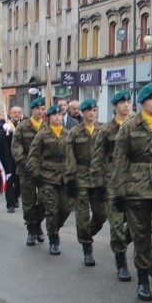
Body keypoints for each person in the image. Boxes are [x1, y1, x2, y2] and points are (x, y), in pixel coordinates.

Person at [110, 85, 152, 300]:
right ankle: (143, 279)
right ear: (143, 102)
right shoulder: (129, 127)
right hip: (136, 189)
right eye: (151, 99)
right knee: (141, 236)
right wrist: (118, 193)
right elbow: (119, 162)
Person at [91, 90, 135, 282]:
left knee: (140, 224)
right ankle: (121, 261)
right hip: (112, 181)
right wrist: (99, 184)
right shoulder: (106, 130)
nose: (126, 105)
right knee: (116, 223)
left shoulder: (137, 126)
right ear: (115, 106)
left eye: (128, 102)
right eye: (122, 102)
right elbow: (97, 158)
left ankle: (123, 243)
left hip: (136, 181)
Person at [27, 103, 72, 255]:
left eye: (60, 114)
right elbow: (33, 156)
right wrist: (36, 174)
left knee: (65, 209)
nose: (58, 117)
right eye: (55, 115)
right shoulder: (42, 134)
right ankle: (54, 240)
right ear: (49, 117)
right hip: (47, 177)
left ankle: (54, 228)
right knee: (51, 209)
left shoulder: (68, 134)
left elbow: (72, 157)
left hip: (64, 178)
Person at [65, 98, 106, 267]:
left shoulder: (103, 130)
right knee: (82, 216)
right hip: (80, 177)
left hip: (98, 178)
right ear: (82, 112)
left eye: (94, 110)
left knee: (101, 215)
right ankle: (87, 248)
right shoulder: (74, 132)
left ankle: (87, 234)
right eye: (88, 110)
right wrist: (70, 180)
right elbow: (70, 157)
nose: (91, 113)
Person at [12, 98, 46, 246]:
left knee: (45, 201)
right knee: (28, 201)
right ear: (32, 110)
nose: (40, 111)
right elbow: (16, 146)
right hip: (26, 170)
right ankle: (32, 230)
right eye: (37, 108)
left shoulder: (48, 126)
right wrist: (23, 162)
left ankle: (38, 222)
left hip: (45, 170)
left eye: (42, 108)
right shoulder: (23, 126)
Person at [3, 106, 24, 213]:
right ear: (10, 114)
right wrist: (4, 131)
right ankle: (10, 204)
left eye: (19, 112)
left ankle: (16, 197)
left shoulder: (25, 124)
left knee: (19, 181)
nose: (17, 114)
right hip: (8, 156)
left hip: (21, 156)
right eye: (14, 112)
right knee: (9, 180)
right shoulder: (4, 125)